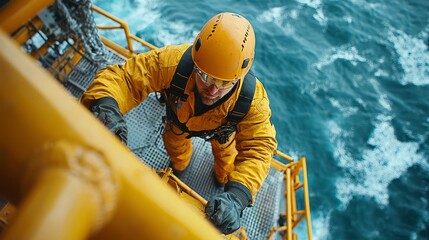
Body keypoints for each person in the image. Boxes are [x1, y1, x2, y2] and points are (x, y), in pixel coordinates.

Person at [81, 12, 277, 235]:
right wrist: (105, 105)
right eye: (205, 76)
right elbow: (125, 78)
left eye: (224, 83)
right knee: (176, 150)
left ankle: (222, 181)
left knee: (226, 164)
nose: (212, 89)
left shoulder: (253, 100)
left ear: (239, 77)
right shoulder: (172, 63)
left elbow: (259, 149)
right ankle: (180, 168)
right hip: (178, 124)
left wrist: (238, 195)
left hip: (223, 136)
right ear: (195, 62)